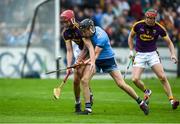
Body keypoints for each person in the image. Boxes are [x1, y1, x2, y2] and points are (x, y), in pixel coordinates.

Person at [78, 18, 149, 115]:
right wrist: (79, 60)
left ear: (90, 28)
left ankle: (141, 102)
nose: (82, 33)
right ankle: (88, 109)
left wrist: (86, 62)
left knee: (121, 84)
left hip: (107, 59)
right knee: (84, 80)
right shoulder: (85, 34)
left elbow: (95, 54)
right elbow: (88, 49)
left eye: (84, 30)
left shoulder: (101, 36)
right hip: (95, 60)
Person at [128, 9, 179, 109]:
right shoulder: (138, 25)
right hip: (140, 54)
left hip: (152, 54)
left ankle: (172, 100)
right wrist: (131, 50)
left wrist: (173, 54)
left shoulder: (159, 28)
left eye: (152, 18)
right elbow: (130, 37)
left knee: (162, 77)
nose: (150, 20)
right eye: (148, 18)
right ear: (145, 17)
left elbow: (169, 42)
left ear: (155, 19)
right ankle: (147, 91)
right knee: (135, 79)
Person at [60, 10, 96, 113]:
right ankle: (77, 103)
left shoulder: (81, 27)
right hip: (79, 51)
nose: (64, 24)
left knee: (83, 77)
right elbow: (69, 50)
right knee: (76, 80)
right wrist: (68, 66)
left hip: (89, 51)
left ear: (72, 19)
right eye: (63, 22)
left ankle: (88, 100)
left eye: (66, 21)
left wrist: (80, 59)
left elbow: (87, 47)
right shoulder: (66, 33)